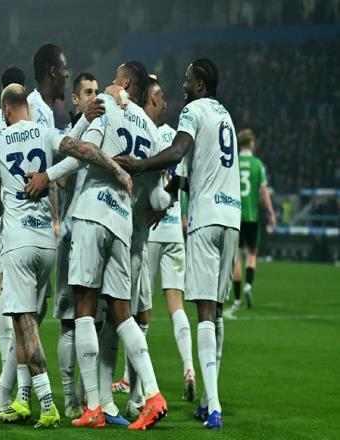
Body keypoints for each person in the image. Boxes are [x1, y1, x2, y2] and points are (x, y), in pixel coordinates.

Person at [28, 61, 169, 430]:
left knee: (85, 308)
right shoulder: (151, 131)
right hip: (123, 225)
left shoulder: (109, 106)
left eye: (116, 76)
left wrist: (47, 176)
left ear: (126, 82)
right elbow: (160, 199)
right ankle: (153, 394)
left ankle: (92, 406)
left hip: (93, 214)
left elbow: (83, 153)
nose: (111, 81)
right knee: (122, 314)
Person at [0, 83, 131, 428]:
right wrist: (117, 169)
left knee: (25, 324)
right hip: (46, 245)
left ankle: (47, 403)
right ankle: (22, 399)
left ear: (6, 110)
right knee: (27, 323)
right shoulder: (44, 132)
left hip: (19, 244)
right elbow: (82, 150)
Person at [115, 59, 241, 430]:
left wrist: (138, 166)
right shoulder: (225, 117)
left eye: (187, 80)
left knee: (204, 311)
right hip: (231, 219)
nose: (183, 85)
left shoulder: (193, 111)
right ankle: (205, 400)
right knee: (217, 311)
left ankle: (213, 406)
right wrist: (167, 200)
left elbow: (176, 153)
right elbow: (184, 178)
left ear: (200, 84)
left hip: (206, 219)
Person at [114, 77, 196, 413]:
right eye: (160, 97)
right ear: (149, 99)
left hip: (145, 232)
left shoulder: (141, 132)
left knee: (131, 310)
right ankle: (188, 366)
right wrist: (170, 201)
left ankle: (128, 384)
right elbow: (182, 179)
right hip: (173, 228)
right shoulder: (176, 136)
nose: (165, 102)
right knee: (173, 305)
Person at [52, 71, 103, 419]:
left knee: (95, 321)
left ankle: (89, 397)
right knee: (70, 321)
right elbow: (63, 178)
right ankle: (70, 397)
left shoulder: (106, 130)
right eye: (87, 92)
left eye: (97, 91)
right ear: (75, 99)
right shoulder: (66, 135)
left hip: (98, 234)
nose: (94, 97)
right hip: (72, 235)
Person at [0, 66, 26, 419]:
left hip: (5, 217)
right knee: (20, 295)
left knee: (5, 288)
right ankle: (14, 371)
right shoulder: (36, 117)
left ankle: (9, 368)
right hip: (30, 219)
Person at [225, 129, 275, 317]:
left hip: (234, 215)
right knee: (252, 253)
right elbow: (263, 191)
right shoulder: (258, 165)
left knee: (237, 256)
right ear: (252, 143)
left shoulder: (233, 163)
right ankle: (248, 284)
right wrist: (271, 212)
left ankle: (237, 299)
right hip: (253, 216)